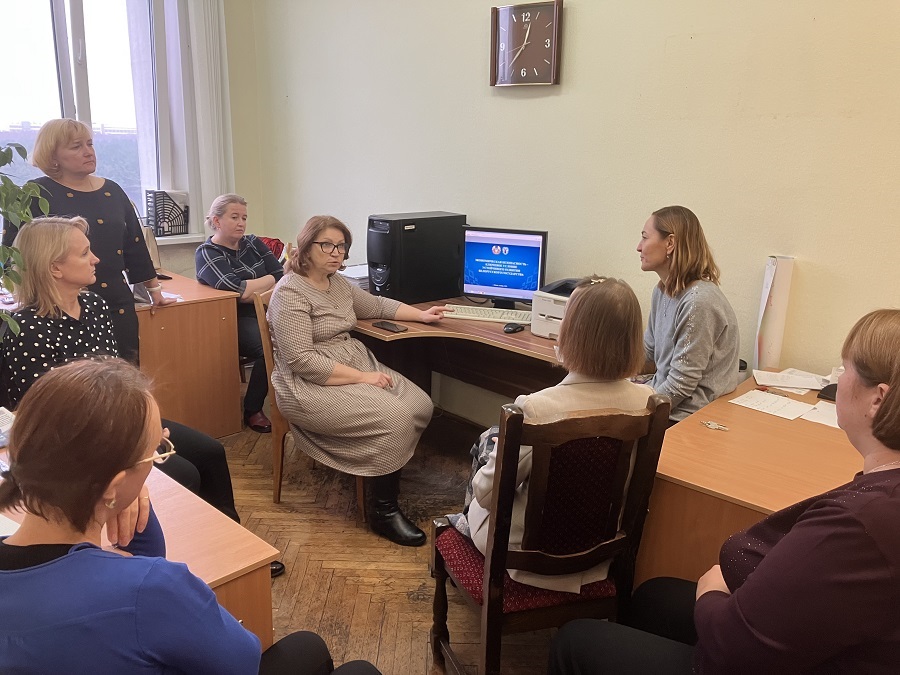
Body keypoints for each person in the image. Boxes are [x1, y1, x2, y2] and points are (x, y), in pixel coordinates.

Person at [548, 309, 900, 674]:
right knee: (654, 596)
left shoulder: (862, 524)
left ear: (878, 399)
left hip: (739, 657)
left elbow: (737, 650)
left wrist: (713, 591)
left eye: (844, 368)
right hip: (788, 634)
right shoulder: (880, 492)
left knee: (574, 642)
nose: (838, 379)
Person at [0, 358, 382, 675]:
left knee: (308, 648)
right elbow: (242, 661)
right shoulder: (153, 590)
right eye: (157, 450)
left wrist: (124, 497)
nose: (158, 457)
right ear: (112, 486)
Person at [1, 216, 240, 525]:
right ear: (55, 268)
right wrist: (136, 437)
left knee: (211, 452)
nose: (96, 259)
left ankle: (233, 539)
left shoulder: (94, 305)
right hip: (77, 441)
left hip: (119, 420)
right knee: (184, 473)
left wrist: (144, 424)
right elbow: (50, 416)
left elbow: (118, 379)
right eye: (84, 253)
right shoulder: (26, 328)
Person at [450, 276, 654, 592]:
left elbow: (487, 495)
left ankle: (461, 528)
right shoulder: (647, 402)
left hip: (525, 557)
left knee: (486, 450)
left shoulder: (535, 408)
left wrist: (497, 455)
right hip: (600, 554)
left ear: (571, 332)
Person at [268, 215, 445, 547]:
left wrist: (420, 315)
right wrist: (364, 377)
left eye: (341, 246)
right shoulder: (290, 292)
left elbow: (376, 305)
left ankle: (381, 469)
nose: (336, 253)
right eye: (327, 245)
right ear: (306, 247)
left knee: (420, 404)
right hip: (308, 382)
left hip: (351, 362)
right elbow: (301, 360)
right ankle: (382, 510)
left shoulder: (338, 283)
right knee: (395, 417)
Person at [1, 118, 175, 362]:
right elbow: (14, 255)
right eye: (76, 146)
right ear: (53, 156)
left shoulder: (113, 190)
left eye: (90, 144)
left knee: (123, 372)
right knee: (73, 379)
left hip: (116, 302)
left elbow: (135, 244)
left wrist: (154, 290)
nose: (88, 152)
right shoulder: (33, 193)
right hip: (57, 305)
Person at [637, 205, 740, 422]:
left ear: (670, 243)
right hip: (664, 402)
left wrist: (634, 412)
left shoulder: (698, 301)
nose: (639, 247)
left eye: (645, 238)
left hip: (688, 417)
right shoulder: (661, 291)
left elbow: (680, 385)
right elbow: (648, 354)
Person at [196, 194, 284, 433]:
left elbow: (280, 275)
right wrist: (267, 281)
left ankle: (295, 401)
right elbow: (237, 291)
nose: (241, 223)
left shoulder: (253, 242)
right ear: (216, 221)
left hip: (268, 310)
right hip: (232, 318)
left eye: (244, 218)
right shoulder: (207, 252)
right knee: (268, 347)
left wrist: (257, 286)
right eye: (234, 217)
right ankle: (253, 409)